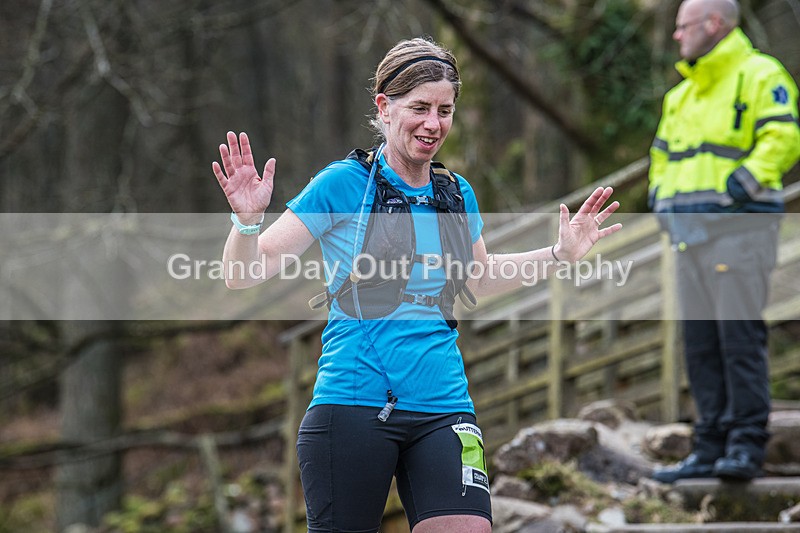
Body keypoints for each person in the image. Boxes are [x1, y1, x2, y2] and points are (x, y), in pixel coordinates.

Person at [212, 37, 621, 533]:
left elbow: (479, 278)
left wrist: (559, 254)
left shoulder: (456, 193)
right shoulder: (341, 184)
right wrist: (248, 224)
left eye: (444, 110)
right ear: (384, 107)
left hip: (443, 405)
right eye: (419, 108)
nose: (433, 124)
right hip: (354, 402)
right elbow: (243, 273)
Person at [649, 0, 800, 483]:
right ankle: (708, 446)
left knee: (737, 337)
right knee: (700, 342)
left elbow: (783, 138)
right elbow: (661, 156)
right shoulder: (682, 94)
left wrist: (739, 188)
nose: (677, 36)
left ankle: (745, 445)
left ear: (713, 24)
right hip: (689, 236)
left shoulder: (760, 74)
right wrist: (660, 201)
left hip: (740, 229)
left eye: (684, 26)